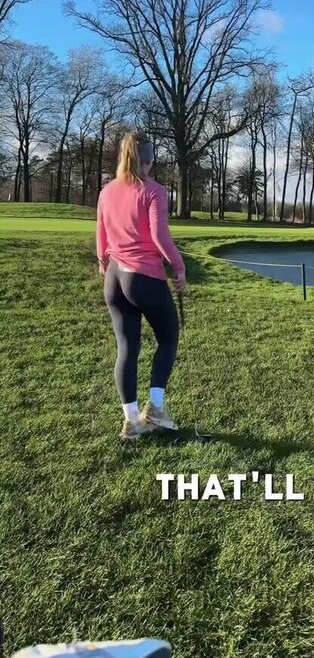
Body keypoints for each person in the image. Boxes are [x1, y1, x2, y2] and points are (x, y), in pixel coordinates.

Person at [96, 130, 186, 440]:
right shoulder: (154, 191)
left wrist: (103, 263)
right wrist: (179, 267)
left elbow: (101, 235)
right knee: (168, 338)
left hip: (114, 278)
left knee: (127, 348)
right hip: (144, 277)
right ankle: (156, 410)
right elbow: (160, 236)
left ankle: (132, 422)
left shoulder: (107, 191)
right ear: (149, 161)